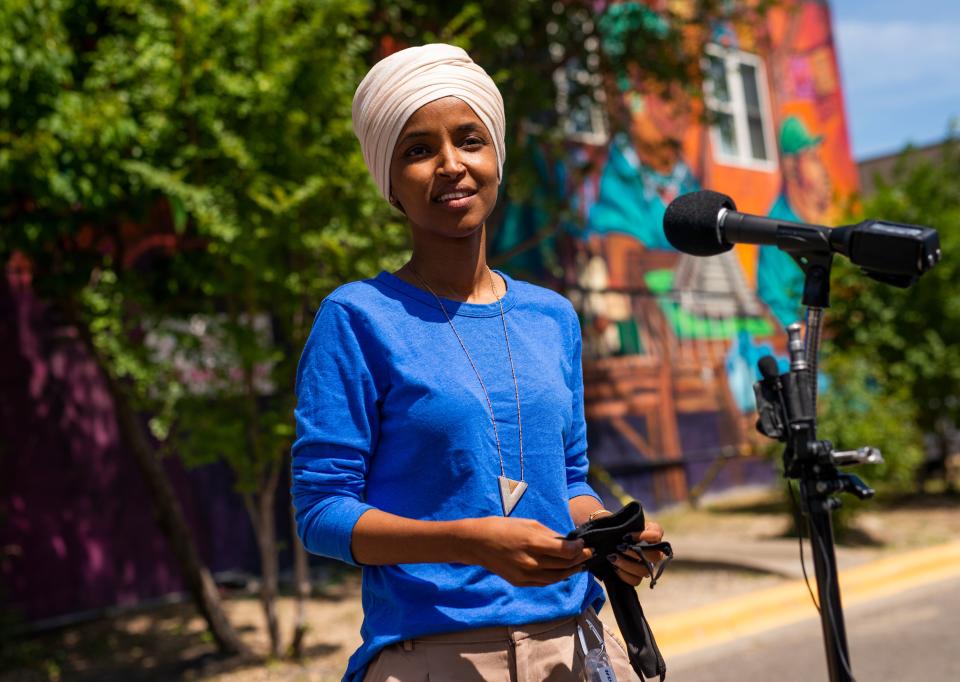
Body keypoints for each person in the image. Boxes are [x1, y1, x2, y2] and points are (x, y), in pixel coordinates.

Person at [291, 43, 664, 682]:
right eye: (417, 149)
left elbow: (568, 482)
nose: (450, 165)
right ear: (389, 181)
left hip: (573, 649)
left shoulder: (552, 317)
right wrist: (470, 542)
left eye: (470, 140)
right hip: (434, 657)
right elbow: (322, 513)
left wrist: (615, 533)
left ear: (496, 157)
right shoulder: (357, 317)